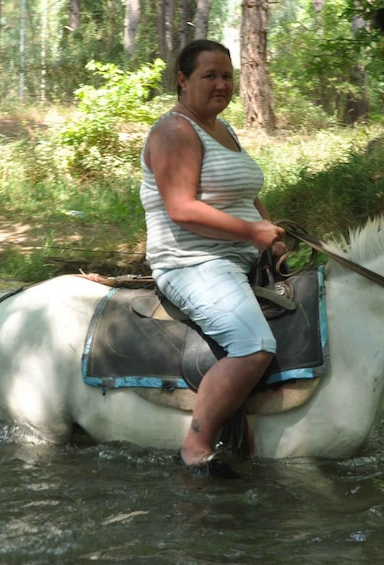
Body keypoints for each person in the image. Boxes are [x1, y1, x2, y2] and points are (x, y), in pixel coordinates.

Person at [140, 39, 285, 471]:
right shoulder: (175, 131)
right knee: (253, 346)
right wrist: (251, 232)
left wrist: (269, 234)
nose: (222, 85)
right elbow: (182, 209)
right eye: (210, 76)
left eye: (227, 76)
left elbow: (245, 195)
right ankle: (195, 447)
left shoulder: (224, 129)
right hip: (192, 263)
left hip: (238, 258)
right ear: (183, 82)